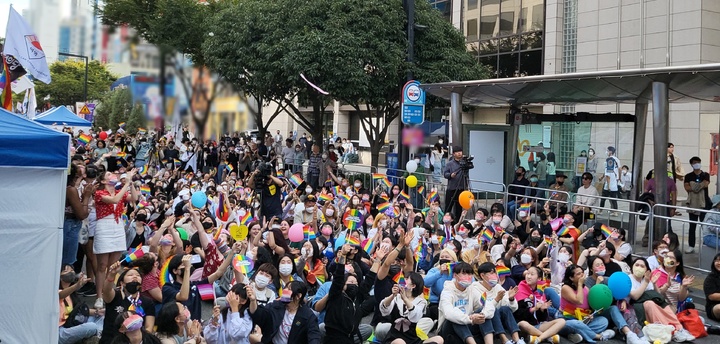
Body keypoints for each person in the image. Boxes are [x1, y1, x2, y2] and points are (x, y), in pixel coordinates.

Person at [94, 169, 139, 309]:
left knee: (113, 266)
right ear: (103, 181)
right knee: (102, 265)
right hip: (104, 226)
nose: (112, 175)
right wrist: (125, 184)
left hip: (118, 225)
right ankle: (99, 296)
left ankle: (109, 292)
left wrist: (130, 182)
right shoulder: (99, 193)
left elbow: (134, 198)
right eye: (109, 175)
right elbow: (114, 199)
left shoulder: (121, 191)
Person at [627, 258, 695, 343]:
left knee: (661, 303)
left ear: (646, 270)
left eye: (642, 266)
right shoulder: (628, 279)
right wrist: (646, 283)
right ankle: (673, 331)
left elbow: (657, 295)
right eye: (637, 265)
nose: (639, 268)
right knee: (649, 303)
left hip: (649, 307)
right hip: (633, 309)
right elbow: (635, 296)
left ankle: (679, 328)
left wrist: (654, 284)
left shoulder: (645, 279)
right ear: (632, 266)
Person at [437, 262, 494, 344]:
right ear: (455, 276)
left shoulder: (472, 289)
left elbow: (488, 305)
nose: (467, 277)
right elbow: (448, 312)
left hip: (467, 327)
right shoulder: (447, 290)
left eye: (469, 274)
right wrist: (469, 319)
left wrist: (483, 315)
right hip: (448, 330)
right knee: (455, 316)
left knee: (482, 312)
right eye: (464, 273)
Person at [249, 281, 321, 344]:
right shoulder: (276, 306)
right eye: (285, 288)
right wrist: (253, 300)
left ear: (298, 296)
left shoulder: (308, 315)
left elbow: (314, 337)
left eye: (289, 289)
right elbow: (259, 313)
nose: (285, 291)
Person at [58, 265, 103, 344]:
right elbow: (60, 295)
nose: (70, 272)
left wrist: (97, 312)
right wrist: (76, 286)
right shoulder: (54, 293)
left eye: (72, 270)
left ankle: (94, 338)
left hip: (72, 323)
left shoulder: (72, 295)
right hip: (60, 331)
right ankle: (93, 337)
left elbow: (79, 311)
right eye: (66, 271)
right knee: (92, 326)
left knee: (101, 317)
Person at [64, 163, 96, 266]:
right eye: (78, 177)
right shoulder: (70, 189)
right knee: (68, 262)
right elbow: (82, 214)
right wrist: (87, 196)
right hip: (70, 225)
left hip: (65, 224)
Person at [683, 156, 710, 253]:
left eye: (698, 162)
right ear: (691, 164)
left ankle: (706, 244)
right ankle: (691, 245)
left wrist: (693, 185)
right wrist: (699, 186)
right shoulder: (688, 176)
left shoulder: (705, 174)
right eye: (695, 162)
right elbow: (687, 188)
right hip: (693, 204)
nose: (697, 164)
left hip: (704, 203)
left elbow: (706, 184)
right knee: (692, 225)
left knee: (705, 225)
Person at [444, 145, 467, 221]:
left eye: (460, 152)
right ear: (454, 154)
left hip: (461, 189)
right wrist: (451, 175)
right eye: (457, 152)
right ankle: (446, 221)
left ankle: (457, 223)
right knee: (448, 207)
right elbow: (445, 174)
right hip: (452, 188)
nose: (459, 153)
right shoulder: (449, 164)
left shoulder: (464, 163)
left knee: (459, 209)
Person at [599, 146, 621, 216]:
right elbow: (619, 169)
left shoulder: (609, 160)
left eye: (607, 150)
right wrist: (619, 177)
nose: (606, 152)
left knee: (603, 198)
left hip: (609, 184)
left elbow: (608, 174)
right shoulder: (616, 159)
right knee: (613, 198)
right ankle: (615, 211)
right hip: (614, 182)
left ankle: (600, 210)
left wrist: (608, 185)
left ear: (610, 152)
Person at [704, 253, 720, 322]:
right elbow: (711, 296)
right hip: (714, 306)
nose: (718, 263)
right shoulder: (710, 278)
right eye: (716, 260)